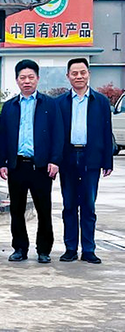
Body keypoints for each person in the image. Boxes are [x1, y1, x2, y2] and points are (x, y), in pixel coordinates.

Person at [0, 59, 63, 264]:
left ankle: (43, 250)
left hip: (41, 166)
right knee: (16, 209)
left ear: (37, 79)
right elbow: (3, 136)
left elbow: (58, 134)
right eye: (22, 77)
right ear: (17, 80)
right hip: (17, 165)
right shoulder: (9, 106)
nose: (27, 81)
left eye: (30, 77)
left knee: (43, 209)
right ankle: (19, 248)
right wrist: (2, 163)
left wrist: (55, 160)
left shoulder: (49, 104)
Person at [57, 58, 113, 264]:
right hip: (68, 158)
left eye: (82, 72)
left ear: (89, 74)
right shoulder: (60, 102)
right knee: (69, 205)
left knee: (88, 206)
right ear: (68, 76)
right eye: (74, 73)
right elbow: (56, 134)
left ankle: (88, 249)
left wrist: (107, 161)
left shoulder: (101, 101)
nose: (79, 76)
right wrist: (55, 159)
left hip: (91, 158)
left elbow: (106, 132)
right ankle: (70, 248)